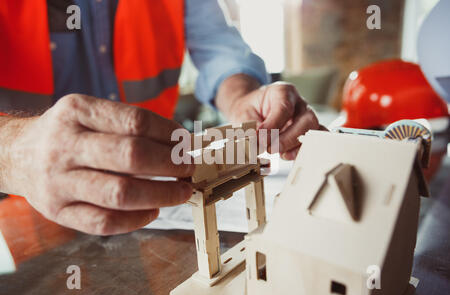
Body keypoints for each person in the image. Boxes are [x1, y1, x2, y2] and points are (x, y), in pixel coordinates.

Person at [0, 0, 321, 235]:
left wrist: (242, 98)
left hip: (153, 209)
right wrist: (14, 154)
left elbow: (218, 46)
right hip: (27, 214)